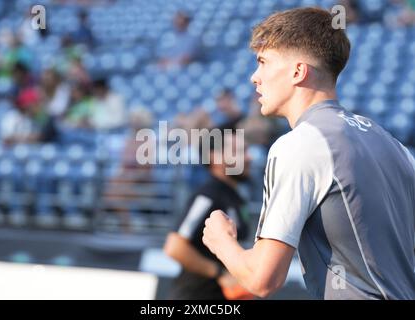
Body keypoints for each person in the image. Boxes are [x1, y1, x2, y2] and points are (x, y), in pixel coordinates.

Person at [202, 7, 415, 300]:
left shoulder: (301, 144)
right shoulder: (394, 145)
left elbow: (262, 279)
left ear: (298, 71)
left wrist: (221, 241)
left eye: (263, 62)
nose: (255, 77)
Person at [164, 129, 253, 300]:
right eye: (239, 152)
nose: (249, 158)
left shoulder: (235, 196)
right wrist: (219, 273)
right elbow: (175, 247)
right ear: (215, 158)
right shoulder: (208, 195)